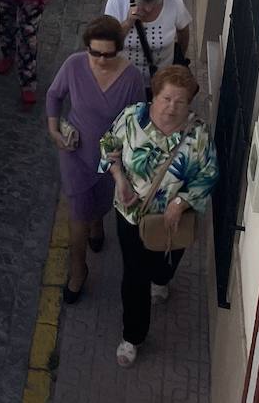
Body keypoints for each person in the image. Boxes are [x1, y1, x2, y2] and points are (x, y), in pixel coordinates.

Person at [100, 67, 218, 367]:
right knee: (135, 276)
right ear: (154, 95)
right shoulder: (132, 117)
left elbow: (209, 174)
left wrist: (181, 202)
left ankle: (162, 280)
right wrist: (119, 178)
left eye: (181, 101)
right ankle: (133, 336)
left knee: (165, 265)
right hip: (131, 215)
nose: (172, 107)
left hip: (173, 219)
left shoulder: (198, 135)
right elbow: (108, 146)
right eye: (166, 98)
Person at [45, 17, 146, 303]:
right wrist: (54, 130)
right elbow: (54, 95)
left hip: (109, 160)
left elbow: (137, 122)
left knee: (99, 204)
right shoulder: (74, 65)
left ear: (119, 50)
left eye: (108, 54)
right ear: (87, 48)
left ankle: (98, 223)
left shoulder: (132, 78)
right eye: (95, 53)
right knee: (77, 213)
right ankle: (78, 270)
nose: (101, 60)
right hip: (75, 153)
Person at [105, 0, 192, 79]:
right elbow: (108, 41)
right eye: (143, 3)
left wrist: (179, 58)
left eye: (155, 3)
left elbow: (183, 32)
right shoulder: (116, 2)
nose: (148, 9)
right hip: (124, 76)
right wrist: (128, 22)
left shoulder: (174, 2)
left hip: (161, 77)